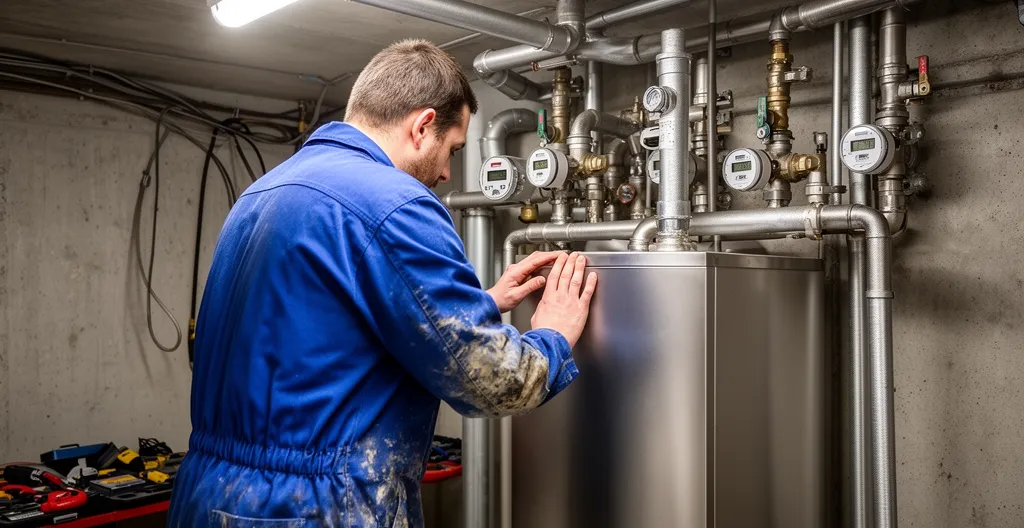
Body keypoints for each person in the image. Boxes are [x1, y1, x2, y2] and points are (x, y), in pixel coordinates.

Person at [167, 39, 598, 527]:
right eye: (451, 149)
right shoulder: (395, 202)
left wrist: (478, 305)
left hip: (209, 495)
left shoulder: (263, 193)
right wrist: (553, 336)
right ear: (421, 126)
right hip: (315, 508)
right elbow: (492, 382)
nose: (445, 173)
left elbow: (313, 334)